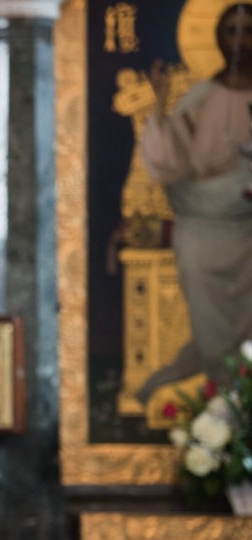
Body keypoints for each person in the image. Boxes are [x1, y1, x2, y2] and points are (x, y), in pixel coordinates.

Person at [136, 3, 252, 402]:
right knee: (208, 319)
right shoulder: (201, 98)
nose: (241, 41)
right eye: (232, 31)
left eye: (249, 32)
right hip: (202, 226)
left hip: (249, 228)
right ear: (219, 38)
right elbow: (170, 163)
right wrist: (159, 104)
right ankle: (223, 400)